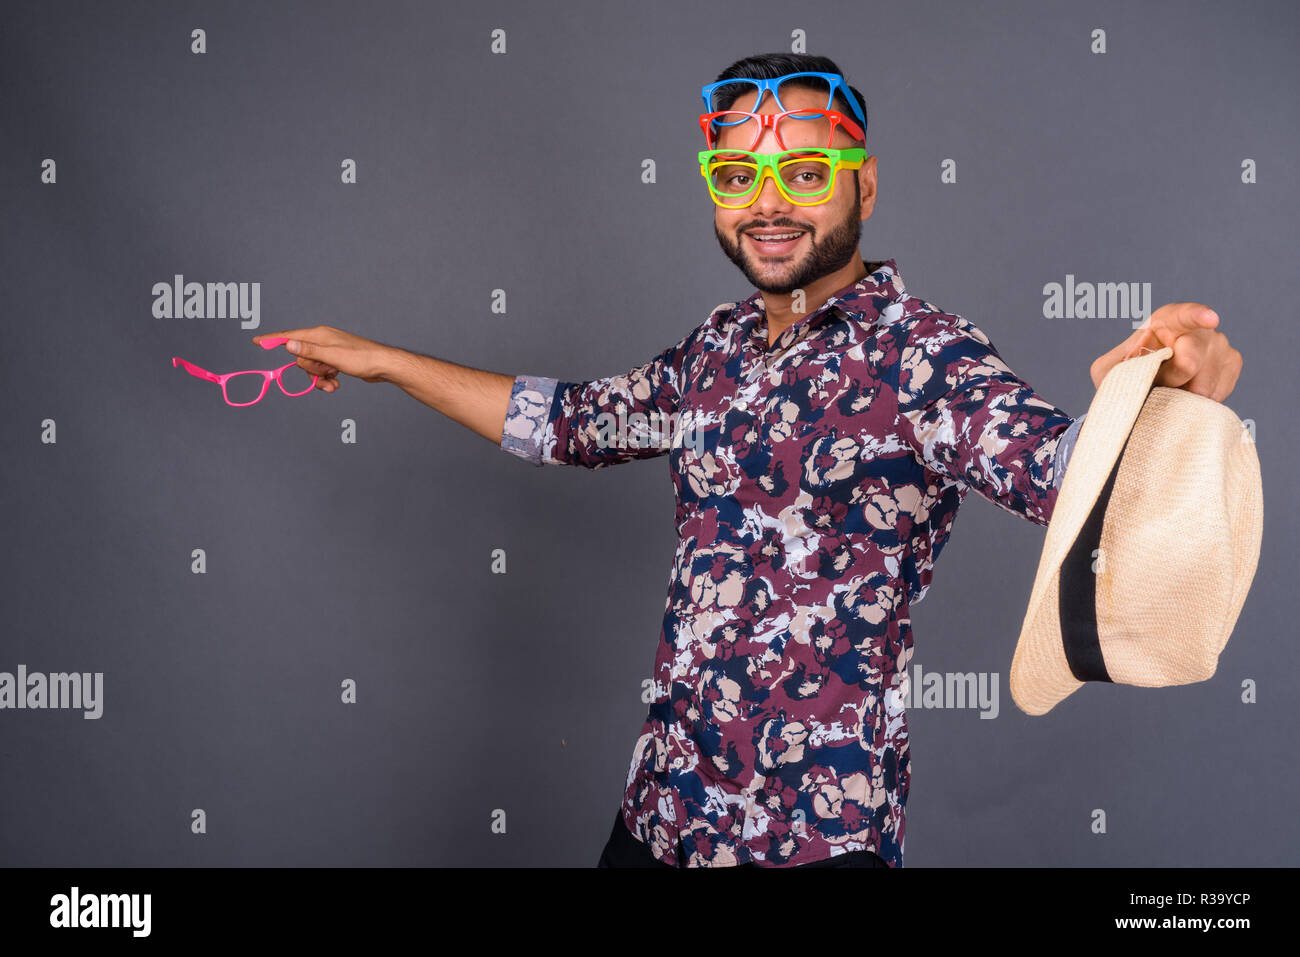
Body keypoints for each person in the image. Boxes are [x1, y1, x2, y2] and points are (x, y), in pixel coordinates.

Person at [253, 52, 1242, 868]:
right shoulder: (715, 349)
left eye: (804, 174)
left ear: (862, 180)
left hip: (811, 843)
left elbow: (1068, 473)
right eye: (737, 178)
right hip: (658, 818)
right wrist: (381, 360)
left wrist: (1164, 399)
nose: (768, 204)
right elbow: (569, 424)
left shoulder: (921, 354)